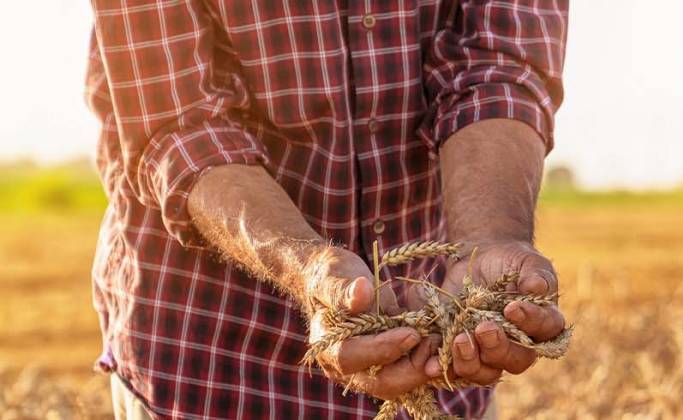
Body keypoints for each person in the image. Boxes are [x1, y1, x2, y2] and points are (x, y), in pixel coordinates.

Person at [85, 1, 569, 418]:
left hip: (439, 355)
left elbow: (500, 72)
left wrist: (489, 237)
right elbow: (181, 125)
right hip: (213, 361)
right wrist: (311, 269)